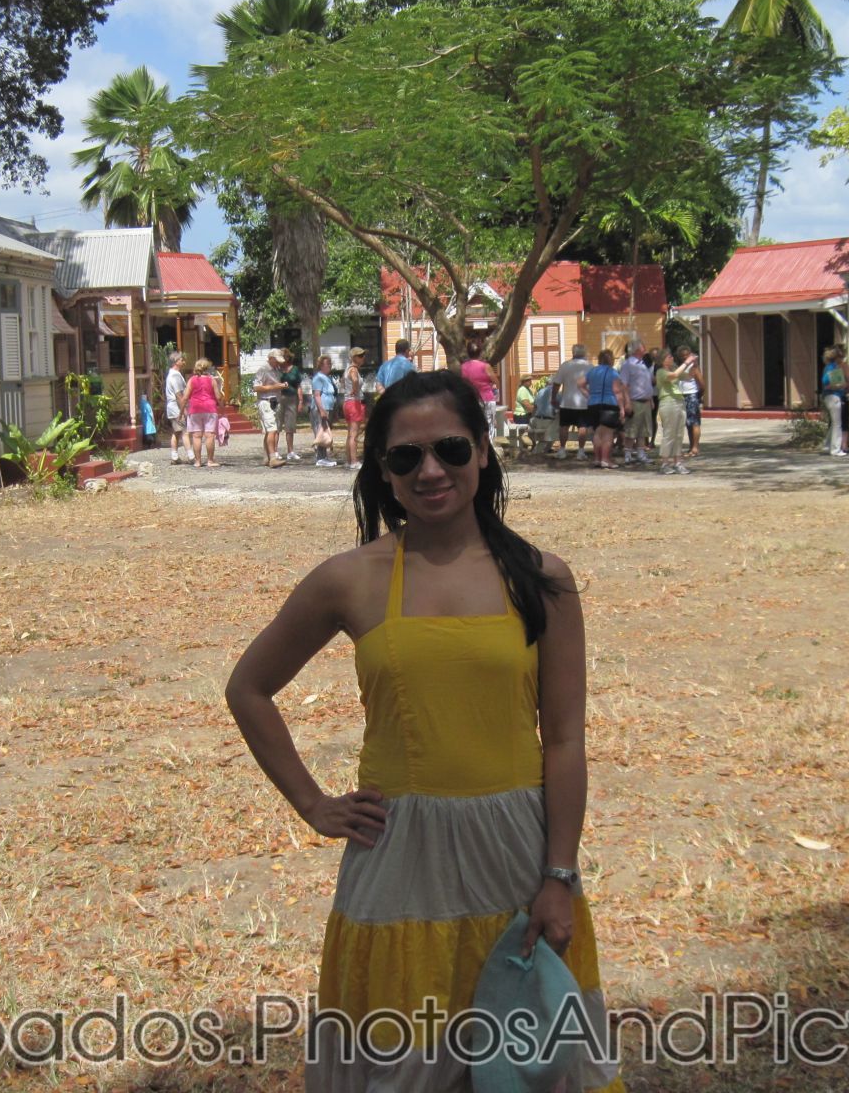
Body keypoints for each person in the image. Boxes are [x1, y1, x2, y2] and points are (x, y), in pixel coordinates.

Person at [224, 369, 623, 1093]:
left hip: (515, 855)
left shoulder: (543, 579)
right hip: (399, 858)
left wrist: (558, 875)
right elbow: (248, 689)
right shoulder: (350, 580)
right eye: (406, 458)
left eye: (450, 449)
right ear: (382, 472)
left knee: (530, 1063)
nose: (431, 470)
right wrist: (313, 805)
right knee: (406, 1064)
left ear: (483, 450)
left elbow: (564, 739)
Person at [582, 349, 629, 470]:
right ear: (611, 360)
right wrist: (622, 408)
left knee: (597, 433)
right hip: (609, 405)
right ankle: (605, 459)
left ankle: (597, 459)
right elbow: (617, 392)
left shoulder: (592, 371)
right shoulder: (613, 373)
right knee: (608, 434)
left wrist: (589, 394)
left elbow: (580, 384)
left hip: (593, 404)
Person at [552, 343, 594, 460]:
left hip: (567, 401)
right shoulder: (590, 367)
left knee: (564, 426)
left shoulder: (565, 365)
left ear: (573, 352)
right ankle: (580, 451)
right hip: (584, 401)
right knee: (582, 427)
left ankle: (562, 449)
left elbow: (556, 383)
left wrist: (553, 397)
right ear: (584, 353)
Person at [178, 357, 222, 468]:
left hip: (195, 409)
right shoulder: (212, 380)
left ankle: (197, 461)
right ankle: (210, 461)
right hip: (210, 409)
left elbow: (185, 398)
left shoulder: (192, 380)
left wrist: (181, 412)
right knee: (209, 435)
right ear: (207, 368)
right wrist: (222, 408)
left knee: (196, 436)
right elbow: (218, 397)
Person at [654, 349, 690, 475]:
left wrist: (691, 365)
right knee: (669, 433)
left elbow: (687, 376)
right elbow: (674, 376)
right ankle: (665, 463)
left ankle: (677, 462)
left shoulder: (672, 370)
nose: (671, 358)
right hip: (668, 402)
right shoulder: (660, 372)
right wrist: (686, 363)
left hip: (679, 401)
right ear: (662, 359)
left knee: (679, 434)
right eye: (668, 356)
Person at [618, 341, 654, 465]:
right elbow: (624, 385)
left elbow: (646, 383)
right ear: (636, 350)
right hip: (635, 401)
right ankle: (627, 454)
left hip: (645, 402)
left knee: (643, 430)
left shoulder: (642, 364)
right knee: (631, 430)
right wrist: (627, 403)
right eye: (643, 346)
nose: (645, 349)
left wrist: (651, 399)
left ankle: (641, 453)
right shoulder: (628, 365)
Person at [253, 350, 287, 468]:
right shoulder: (263, 369)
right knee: (272, 429)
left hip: (275, 401)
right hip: (265, 401)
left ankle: (267, 457)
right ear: (271, 358)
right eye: (276, 360)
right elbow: (256, 387)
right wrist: (275, 387)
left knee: (271, 430)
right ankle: (273, 458)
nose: (278, 363)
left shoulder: (277, 370)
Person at [460, 339, 501, 437]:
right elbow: (496, 383)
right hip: (487, 398)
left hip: (472, 400)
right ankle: (490, 447)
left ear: (468, 352)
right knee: (489, 425)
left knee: (474, 423)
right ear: (480, 352)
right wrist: (496, 397)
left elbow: (461, 384)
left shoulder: (463, 367)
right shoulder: (486, 366)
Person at [821, 345, 849, 456]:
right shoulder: (833, 367)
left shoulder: (828, 366)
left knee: (834, 423)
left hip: (830, 396)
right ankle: (835, 449)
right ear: (837, 358)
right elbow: (830, 383)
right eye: (841, 357)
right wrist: (843, 385)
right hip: (834, 396)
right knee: (837, 424)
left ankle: (827, 445)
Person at [309, 355, 340, 466]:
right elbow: (317, 395)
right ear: (321, 365)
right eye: (328, 364)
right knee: (320, 431)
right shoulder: (318, 377)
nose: (330, 366)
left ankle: (324, 456)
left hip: (328, 407)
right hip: (320, 408)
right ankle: (320, 458)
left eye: (330, 364)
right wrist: (321, 410)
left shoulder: (327, 377)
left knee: (325, 432)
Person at [674, 345, 704, 458]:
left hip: (691, 395)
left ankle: (695, 447)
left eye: (686, 355)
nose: (684, 357)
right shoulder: (680, 366)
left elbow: (701, 383)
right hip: (682, 396)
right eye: (682, 356)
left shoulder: (693, 366)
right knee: (688, 423)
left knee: (694, 422)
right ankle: (691, 446)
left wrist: (698, 395)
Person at [341, 347, 368, 469]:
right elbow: (355, 380)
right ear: (353, 358)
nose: (363, 358)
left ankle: (348, 460)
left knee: (350, 434)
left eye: (363, 355)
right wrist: (354, 389)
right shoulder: (353, 370)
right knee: (354, 434)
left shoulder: (347, 369)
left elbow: (342, 383)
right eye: (360, 356)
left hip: (347, 403)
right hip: (354, 403)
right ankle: (354, 461)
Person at [279, 349, 305, 462]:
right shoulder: (277, 369)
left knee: (290, 426)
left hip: (292, 398)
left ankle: (290, 451)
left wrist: (300, 401)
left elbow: (298, 385)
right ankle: (274, 451)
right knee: (277, 425)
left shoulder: (295, 369)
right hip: (279, 398)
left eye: (284, 357)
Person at [162, 352, 188, 464]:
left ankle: (174, 456)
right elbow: (179, 394)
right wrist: (183, 409)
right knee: (185, 431)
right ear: (176, 362)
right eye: (181, 360)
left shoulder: (173, 374)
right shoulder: (175, 376)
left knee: (177, 432)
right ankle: (191, 455)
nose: (183, 362)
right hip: (176, 407)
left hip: (173, 407)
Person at [530, 375, 560, 456]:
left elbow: (535, 407)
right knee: (559, 423)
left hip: (537, 420)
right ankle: (537, 452)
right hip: (548, 421)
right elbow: (560, 406)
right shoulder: (556, 393)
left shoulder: (540, 392)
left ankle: (544, 450)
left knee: (550, 433)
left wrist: (532, 420)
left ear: (547, 383)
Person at [512, 376, 536, 446]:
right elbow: (527, 406)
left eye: (530, 380)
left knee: (533, 431)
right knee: (527, 432)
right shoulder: (522, 390)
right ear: (523, 382)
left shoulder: (528, 390)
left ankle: (534, 446)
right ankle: (521, 446)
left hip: (528, 414)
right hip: (522, 415)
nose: (530, 382)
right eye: (528, 380)